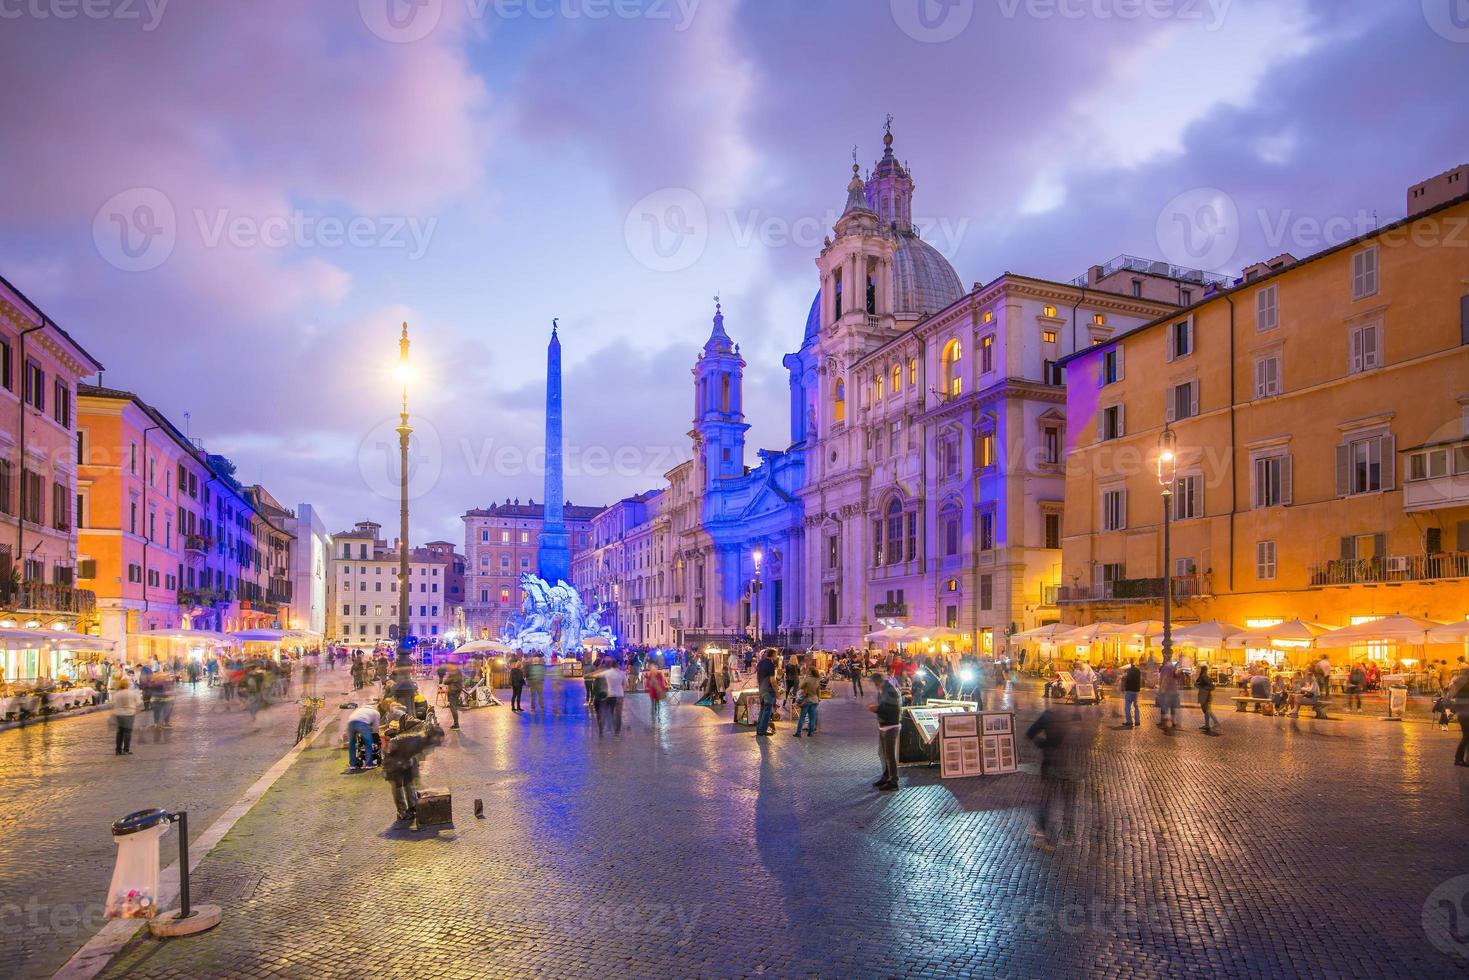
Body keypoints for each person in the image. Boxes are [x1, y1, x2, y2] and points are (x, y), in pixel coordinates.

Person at [1025, 701, 1082, 852]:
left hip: (1051, 763)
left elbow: (1030, 733)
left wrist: (1042, 743)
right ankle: (1068, 835)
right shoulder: (1073, 717)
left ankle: (1043, 832)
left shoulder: (1047, 716)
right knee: (1068, 801)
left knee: (1047, 799)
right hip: (1070, 765)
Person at [382, 723, 444, 821]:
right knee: (398, 786)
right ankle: (402, 812)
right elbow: (401, 753)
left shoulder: (423, 743)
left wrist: (416, 777)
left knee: (409, 782)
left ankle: (413, 806)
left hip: (404, 760)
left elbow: (415, 761)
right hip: (393, 759)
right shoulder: (417, 742)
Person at [868, 668, 903, 791]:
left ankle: (893, 781)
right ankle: (886, 776)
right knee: (883, 753)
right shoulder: (882, 690)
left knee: (889, 755)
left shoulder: (890, 690)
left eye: (875, 684)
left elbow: (894, 709)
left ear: (878, 682)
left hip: (891, 726)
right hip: (884, 725)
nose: (874, 687)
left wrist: (877, 709)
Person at [111, 677, 143, 755]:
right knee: (127, 732)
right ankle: (126, 749)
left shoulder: (116, 694)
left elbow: (113, 704)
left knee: (119, 732)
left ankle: (118, 750)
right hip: (129, 714)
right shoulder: (132, 693)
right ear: (127, 685)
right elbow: (139, 703)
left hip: (119, 714)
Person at [595, 659, 625, 737]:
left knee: (604, 713)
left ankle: (601, 731)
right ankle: (617, 733)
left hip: (609, 695)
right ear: (617, 665)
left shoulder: (607, 673)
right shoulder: (622, 673)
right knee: (618, 715)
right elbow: (625, 684)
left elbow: (596, 675)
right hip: (619, 695)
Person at [1446, 668, 1469, 767]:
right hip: (1466, 714)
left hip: (1462, 714)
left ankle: (1462, 759)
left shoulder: (1458, 684)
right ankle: (1458, 758)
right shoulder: (1465, 685)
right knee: (1466, 737)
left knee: (1466, 737)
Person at [347, 703, 381, 769]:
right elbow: (376, 728)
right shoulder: (376, 712)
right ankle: (368, 764)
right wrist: (375, 736)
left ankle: (353, 765)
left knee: (352, 744)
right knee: (368, 743)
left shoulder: (359, 710)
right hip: (362, 723)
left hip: (350, 723)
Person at [793, 666, 821, 737]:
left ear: (810, 672)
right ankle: (810, 732)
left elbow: (801, 686)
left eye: (808, 670)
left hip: (807, 700)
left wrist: (804, 679)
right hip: (814, 700)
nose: (807, 671)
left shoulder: (807, 679)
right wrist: (818, 699)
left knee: (802, 717)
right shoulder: (817, 679)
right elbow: (818, 691)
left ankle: (798, 733)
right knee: (812, 718)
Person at [755, 649, 777, 737]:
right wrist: (777, 691)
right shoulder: (771, 665)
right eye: (776, 654)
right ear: (772, 655)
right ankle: (762, 731)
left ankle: (759, 729)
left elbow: (757, 676)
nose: (776, 656)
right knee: (767, 711)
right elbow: (772, 680)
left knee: (763, 710)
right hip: (768, 690)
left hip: (761, 689)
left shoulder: (760, 663)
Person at [1196, 664, 1221, 734]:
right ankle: (1207, 725)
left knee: (1206, 710)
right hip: (1205, 694)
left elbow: (1211, 686)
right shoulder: (1204, 676)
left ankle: (1215, 722)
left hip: (1205, 695)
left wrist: (1200, 687)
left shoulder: (1204, 676)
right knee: (1206, 710)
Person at [1156, 658, 1179, 731]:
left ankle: (1163, 722)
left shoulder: (1165, 668)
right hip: (1174, 691)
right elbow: (1176, 679)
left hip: (1167, 692)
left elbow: (1163, 680)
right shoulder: (1173, 668)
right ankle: (1173, 721)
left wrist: (1161, 689)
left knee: (1164, 707)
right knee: (1172, 707)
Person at [1120, 661, 1142, 727]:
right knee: (1136, 706)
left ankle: (1129, 721)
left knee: (1127, 706)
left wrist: (1122, 688)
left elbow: (1123, 679)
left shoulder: (1127, 671)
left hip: (1129, 690)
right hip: (1136, 690)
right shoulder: (1138, 671)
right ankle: (1137, 721)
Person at [443, 663, 464, 730]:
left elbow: (445, 682)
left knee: (453, 708)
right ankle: (456, 724)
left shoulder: (452, 673)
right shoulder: (459, 672)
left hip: (452, 691)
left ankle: (456, 724)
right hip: (457, 691)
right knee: (454, 707)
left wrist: (447, 677)